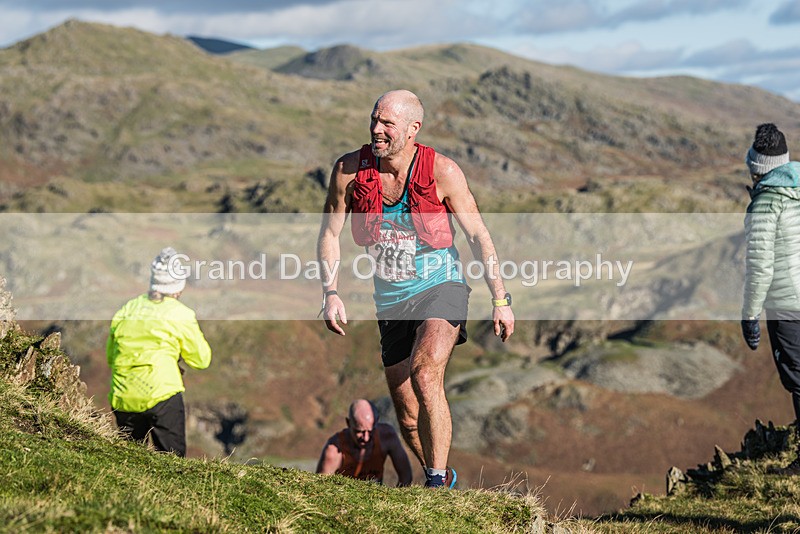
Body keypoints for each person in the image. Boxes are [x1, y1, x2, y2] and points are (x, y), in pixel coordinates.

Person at [317, 89, 515, 488]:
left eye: (387, 123)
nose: (377, 129)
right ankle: (439, 472)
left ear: (412, 129)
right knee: (407, 416)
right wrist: (330, 292)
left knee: (426, 373)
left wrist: (500, 298)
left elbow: (477, 233)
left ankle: (436, 486)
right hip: (391, 301)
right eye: (374, 120)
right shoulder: (349, 170)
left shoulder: (443, 171)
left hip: (441, 286)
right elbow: (330, 231)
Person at [107, 247, 211, 457]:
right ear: (178, 286)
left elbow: (111, 357)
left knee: (129, 460)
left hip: (123, 396)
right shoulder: (179, 313)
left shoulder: (127, 309)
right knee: (173, 463)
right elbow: (201, 360)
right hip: (162, 394)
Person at [741, 123, 800, 474]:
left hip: (787, 304)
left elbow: (760, 267)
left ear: (756, 165)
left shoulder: (766, 204)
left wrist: (749, 316)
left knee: (797, 377)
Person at [316, 399, 413, 486]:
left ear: (377, 422)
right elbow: (320, 488)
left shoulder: (387, 436)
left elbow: (406, 477)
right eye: (359, 432)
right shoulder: (334, 450)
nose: (366, 438)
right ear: (348, 423)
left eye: (370, 431)